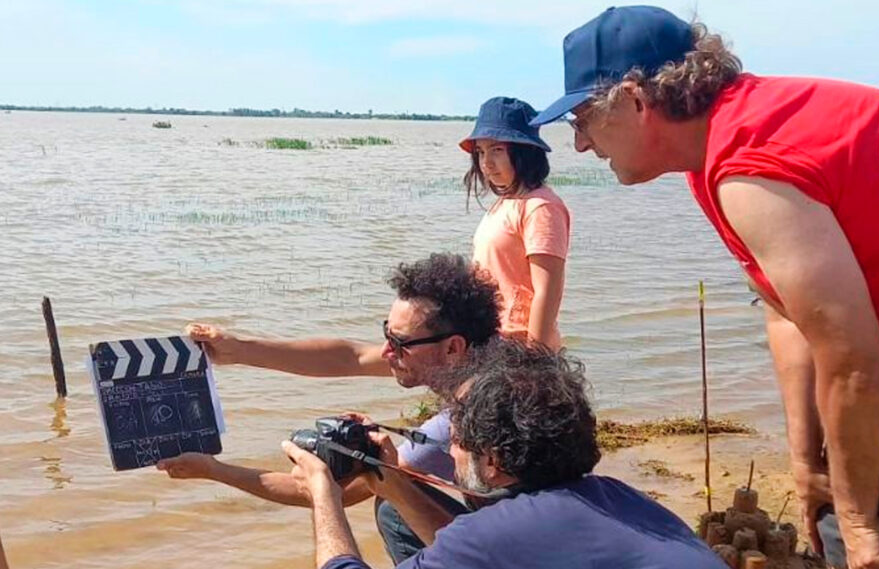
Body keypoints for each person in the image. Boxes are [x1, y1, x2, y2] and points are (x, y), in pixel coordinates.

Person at [529, 6, 879, 569]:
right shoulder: (720, 148)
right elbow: (788, 314)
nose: (581, 146)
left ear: (637, 101)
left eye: (582, 120)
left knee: (863, 546)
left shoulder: (751, 161)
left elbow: (853, 358)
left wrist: (860, 528)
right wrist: (806, 463)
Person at [157, 252, 502, 564]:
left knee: (395, 507)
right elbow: (347, 356)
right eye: (386, 334)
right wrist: (236, 350)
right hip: (537, 536)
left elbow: (339, 492)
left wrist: (213, 470)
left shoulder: (463, 423)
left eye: (398, 343)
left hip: (517, 552)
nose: (385, 352)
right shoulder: (490, 359)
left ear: (453, 348)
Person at [284, 339, 729, 569]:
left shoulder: (503, 532)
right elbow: (475, 551)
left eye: (457, 439)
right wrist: (395, 485)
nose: (451, 451)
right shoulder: (615, 495)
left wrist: (324, 494)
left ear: (493, 461)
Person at [462, 96, 570, 349]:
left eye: (497, 150)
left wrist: (535, 362)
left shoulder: (541, 207)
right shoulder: (505, 203)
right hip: (491, 341)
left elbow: (547, 292)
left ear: (524, 153)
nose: (487, 163)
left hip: (519, 348)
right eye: (480, 152)